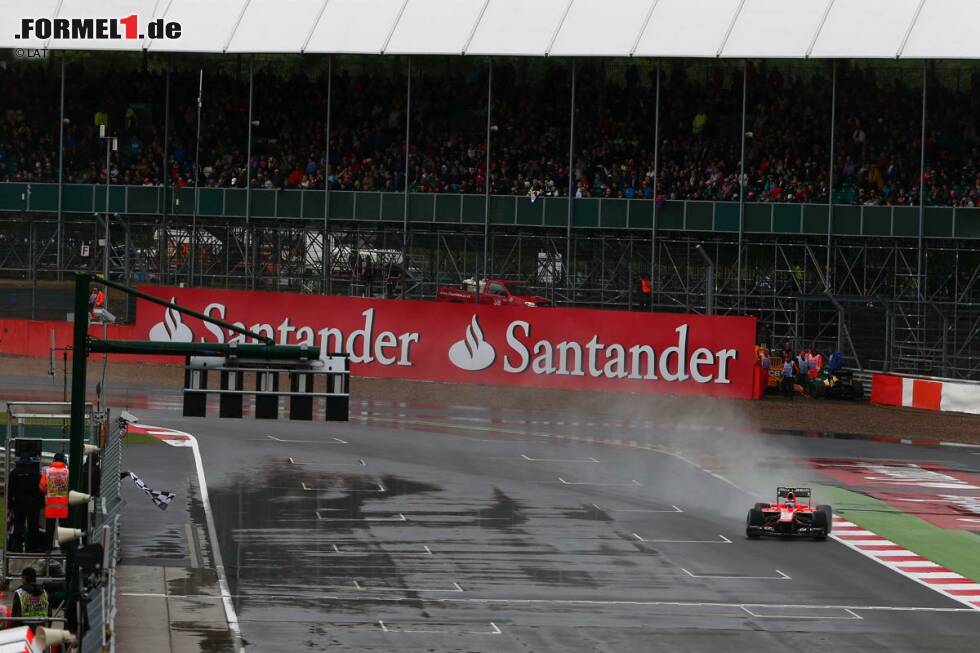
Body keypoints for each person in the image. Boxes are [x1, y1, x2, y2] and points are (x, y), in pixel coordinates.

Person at [7, 456, 42, 553]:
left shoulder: (13, 473)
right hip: (33, 504)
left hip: (19, 504)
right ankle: (32, 548)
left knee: (18, 526)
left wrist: (10, 504)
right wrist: (40, 503)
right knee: (33, 527)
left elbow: (9, 490)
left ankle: (16, 547)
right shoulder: (36, 474)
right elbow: (41, 490)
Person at [39, 453, 69, 552]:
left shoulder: (47, 471)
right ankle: (64, 549)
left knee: (49, 529)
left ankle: (47, 549)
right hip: (63, 505)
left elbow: (42, 487)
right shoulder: (67, 471)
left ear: (54, 460)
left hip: (50, 505)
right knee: (64, 529)